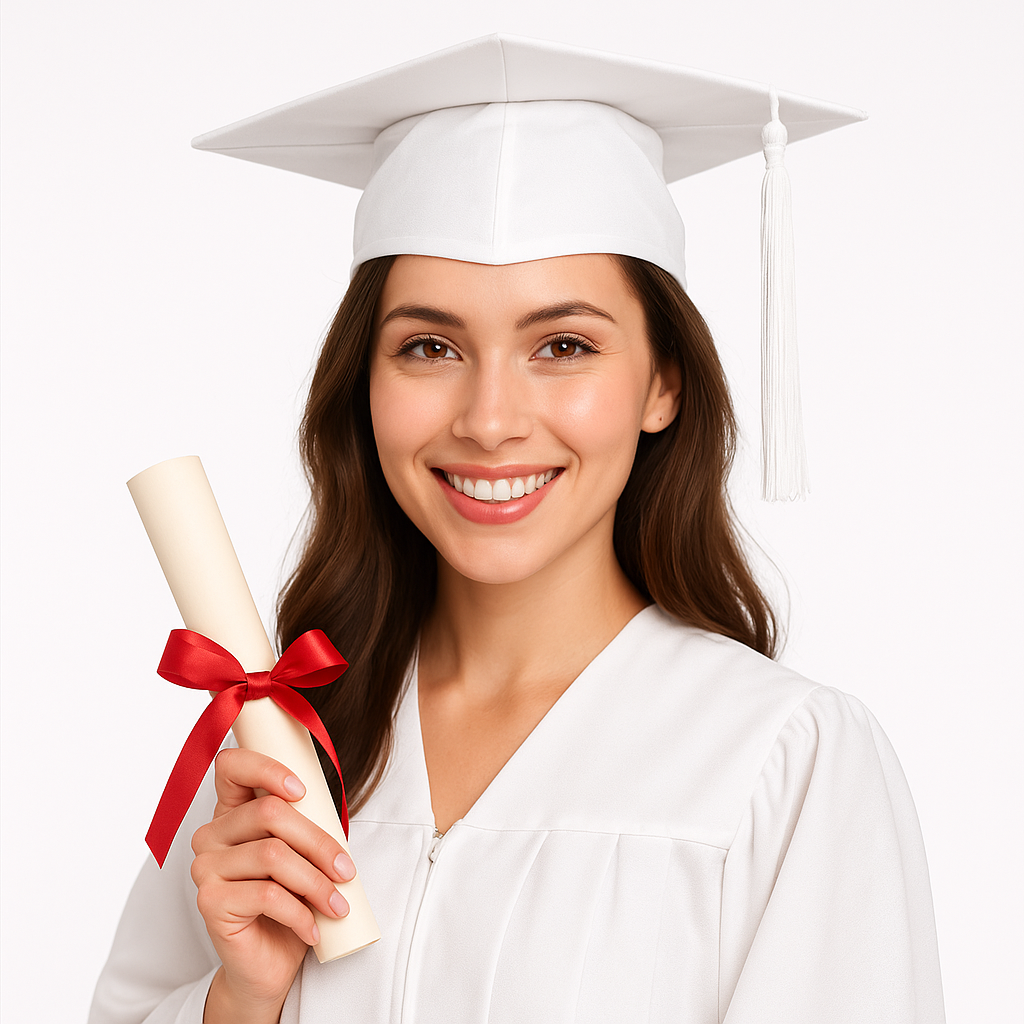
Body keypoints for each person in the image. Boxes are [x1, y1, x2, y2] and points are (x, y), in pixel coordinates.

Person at [90, 35, 945, 1024]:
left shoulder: (780, 761)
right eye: (429, 346)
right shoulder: (282, 744)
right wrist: (242, 999)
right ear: (363, 385)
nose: (489, 418)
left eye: (564, 344)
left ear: (662, 381)